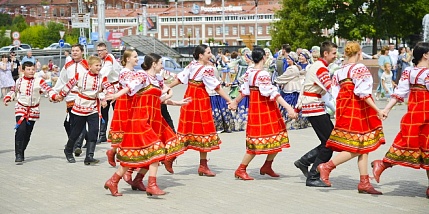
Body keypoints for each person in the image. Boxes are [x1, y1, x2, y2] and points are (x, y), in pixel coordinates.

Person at [104, 52, 189, 197]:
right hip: (140, 120)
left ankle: (117, 180)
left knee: (139, 155)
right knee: (156, 150)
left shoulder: (158, 80)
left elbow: (159, 100)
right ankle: (152, 185)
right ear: (154, 64)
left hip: (154, 119)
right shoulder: (142, 76)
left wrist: (177, 103)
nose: (162, 66)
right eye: (161, 63)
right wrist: (116, 95)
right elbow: (129, 87)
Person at [317, 41, 385, 194]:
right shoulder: (359, 68)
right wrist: (378, 110)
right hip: (358, 110)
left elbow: (335, 93)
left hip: (345, 109)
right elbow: (364, 92)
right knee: (358, 146)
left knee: (363, 146)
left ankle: (364, 182)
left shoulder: (340, 71)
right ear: (359, 53)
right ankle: (327, 166)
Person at [229, 47, 297, 180]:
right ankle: (241, 168)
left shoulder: (250, 72)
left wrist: (235, 102)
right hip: (265, 109)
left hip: (255, 109)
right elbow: (273, 93)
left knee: (276, 138)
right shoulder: (263, 74)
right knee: (260, 140)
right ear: (264, 58)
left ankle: (267, 166)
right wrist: (289, 107)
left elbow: (244, 91)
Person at [371, 41, 429, 198]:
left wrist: (386, 109)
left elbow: (399, 93)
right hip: (425, 114)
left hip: (415, 114)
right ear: (425, 54)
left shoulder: (409, 72)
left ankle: (382, 164)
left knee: (421, 148)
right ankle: (382, 163)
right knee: (423, 147)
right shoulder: (426, 73)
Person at [167, 44, 234, 176]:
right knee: (201, 130)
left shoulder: (192, 65)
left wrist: (167, 87)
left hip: (190, 97)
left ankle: (195, 163)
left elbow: (180, 79)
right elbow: (217, 87)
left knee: (190, 130)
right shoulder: (205, 69)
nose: (211, 55)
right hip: (199, 99)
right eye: (208, 52)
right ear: (201, 55)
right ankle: (174, 157)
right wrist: (229, 100)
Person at [293, 41, 338, 187]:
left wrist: (298, 108)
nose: (335, 56)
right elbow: (331, 88)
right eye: (334, 53)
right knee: (330, 143)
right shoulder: (321, 69)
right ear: (325, 53)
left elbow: (304, 88)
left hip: (312, 105)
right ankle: (313, 176)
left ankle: (305, 161)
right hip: (314, 107)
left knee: (328, 141)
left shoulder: (316, 66)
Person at [58, 56, 115, 165]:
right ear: (90, 66)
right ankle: (68, 150)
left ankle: (89, 157)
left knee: (94, 131)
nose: (99, 67)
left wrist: (108, 96)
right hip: (80, 105)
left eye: (100, 65)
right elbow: (69, 85)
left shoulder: (102, 77)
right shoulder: (81, 75)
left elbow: (108, 87)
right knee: (77, 131)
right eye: (96, 65)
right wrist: (61, 95)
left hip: (93, 106)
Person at [3, 61, 60, 164]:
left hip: (33, 110)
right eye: (28, 69)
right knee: (21, 129)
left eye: (33, 69)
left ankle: (22, 150)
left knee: (27, 133)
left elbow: (48, 89)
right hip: (21, 108)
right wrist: (8, 97)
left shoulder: (39, 81)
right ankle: (18, 154)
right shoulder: (19, 81)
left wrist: (54, 96)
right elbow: (13, 91)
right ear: (23, 70)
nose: (31, 71)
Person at [53, 44, 89, 156]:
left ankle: (77, 145)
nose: (74, 52)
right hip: (70, 96)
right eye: (73, 51)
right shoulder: (67, 66)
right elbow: (62, 80)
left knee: (80, 121)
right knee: (69, 122)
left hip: (83, 96)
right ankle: (74, 142)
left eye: (77, 50)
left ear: (82, 52)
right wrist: (54, 93)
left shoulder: (87, 65)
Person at [95, 42, 121, 145]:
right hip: (107, 87)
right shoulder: (102, 60)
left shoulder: (109, 58)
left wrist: (96, 76)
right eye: (98, 51)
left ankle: (119, 134)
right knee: (103, 111)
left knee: (117, 111)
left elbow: (105, 72)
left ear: (106, 50)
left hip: (115, 88)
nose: (99, 52)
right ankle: (102, 135)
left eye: (101, 50)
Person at [275, 52, 309, 130]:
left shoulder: (292, 69)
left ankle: (290, 122)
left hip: (291, 90)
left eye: (289, 59)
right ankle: (292, 121)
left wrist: (275, 80)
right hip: (291, 89)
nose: (287, 60)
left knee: (289, 104)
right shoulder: (295, 67)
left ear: (293, 60)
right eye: (287, 58)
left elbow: (284, 77)